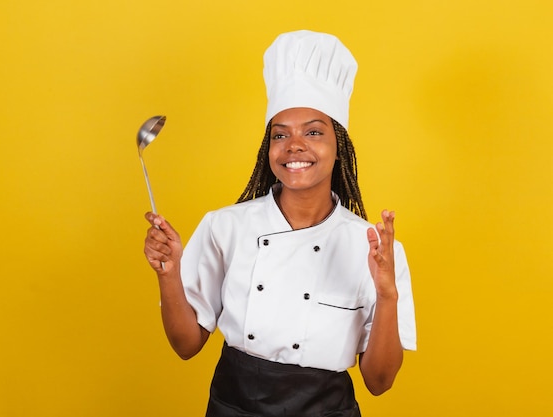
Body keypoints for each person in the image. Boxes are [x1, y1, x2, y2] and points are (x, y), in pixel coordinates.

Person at [143, 30, 416, 417]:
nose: (294, 145)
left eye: (314, 132)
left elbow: (380, 382)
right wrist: (168, 274)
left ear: (339, 147)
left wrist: (387, 294)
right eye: (280, 134)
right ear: (267, 149)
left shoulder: (372, 247)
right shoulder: (226, 227)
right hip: (234, 407)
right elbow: (186, 345)